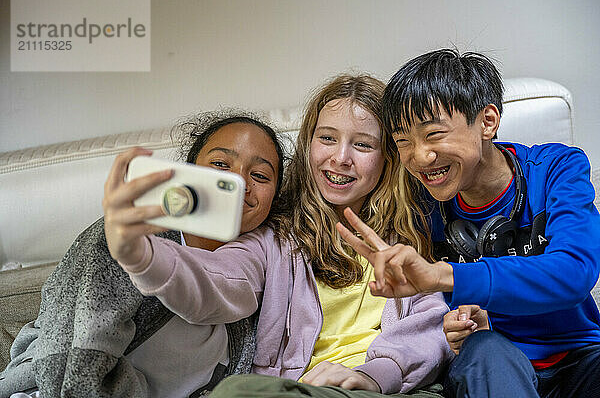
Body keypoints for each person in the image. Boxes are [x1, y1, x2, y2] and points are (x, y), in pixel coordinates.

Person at [106, 74, 453, 397]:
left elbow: (431, 325)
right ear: (308, 145)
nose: (341, 158)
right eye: (328, 138)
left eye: (362, 145)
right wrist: (140, 255)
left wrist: (375, 374)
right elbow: (217, 280)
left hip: (390, 390)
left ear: (387, 159)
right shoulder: (273, 240)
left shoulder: (406, 238)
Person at [338, 49, 600, 398]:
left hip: (581, 357)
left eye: (433, 134)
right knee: (486, 350)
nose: (419, 157)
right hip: (490, 361)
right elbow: (428, 314)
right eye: (403, 141)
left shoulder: (556, 168)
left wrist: (445, 276)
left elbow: (575, 271)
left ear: (487, 122)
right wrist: (452, 320)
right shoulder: (419, 203)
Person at [0, 111, 286, 398]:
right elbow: (69, 356)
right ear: (190, 171)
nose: (240, 182)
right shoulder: (127, 235)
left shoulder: (261, 268)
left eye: (259, 175)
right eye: (221, 164)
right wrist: (134, 254)